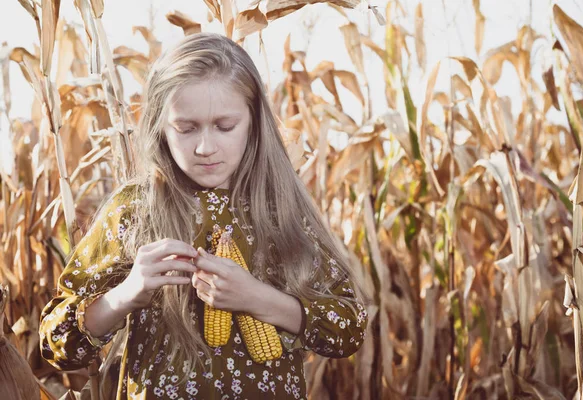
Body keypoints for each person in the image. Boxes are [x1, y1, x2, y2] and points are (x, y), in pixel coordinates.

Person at [39, 32, 369, 400]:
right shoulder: (135, 210)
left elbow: (349, 328)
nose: (205, 147)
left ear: (254, 122)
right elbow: (58, 346)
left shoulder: (281, 210)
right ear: (161, 128)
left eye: (225, 127)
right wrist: (126, 294)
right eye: (186, 128)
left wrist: (258, 298)